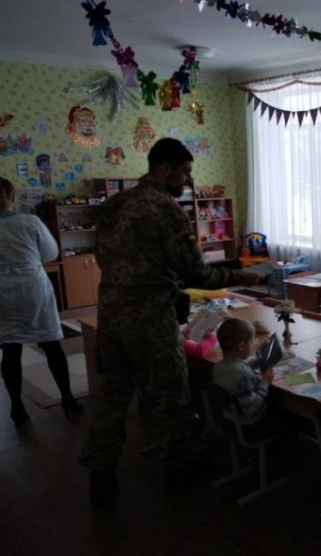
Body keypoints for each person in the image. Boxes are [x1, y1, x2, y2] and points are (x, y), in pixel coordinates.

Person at [79, 138, 261, 504]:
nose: (188, 181)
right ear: (166, 169)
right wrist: (240, 277)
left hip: (112, 312)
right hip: (150, 316)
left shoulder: (116, 205)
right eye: (186, 172)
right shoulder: (165, 209)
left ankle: (101, 476)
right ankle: (177, 473)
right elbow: (195, 273)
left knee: (113, 395)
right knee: (170, 394)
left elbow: (103, 255)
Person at [0, 178, 83, 427]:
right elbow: (50, 254)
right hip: (33, 290)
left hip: (2, 293)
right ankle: (67, 398)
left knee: (10, 351)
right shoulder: (30, 221)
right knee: (51, 345)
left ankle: (17, 407)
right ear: (13, 198)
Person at [212, 318, 274, 426]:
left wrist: (256, 358)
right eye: (251, 342)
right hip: (247, 420)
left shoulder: (219, 365)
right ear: (241, 346)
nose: (252, 345)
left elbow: (235, 364)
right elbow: (251, 409)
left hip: (228, 413)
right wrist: (265, 382)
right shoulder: (244, 377)